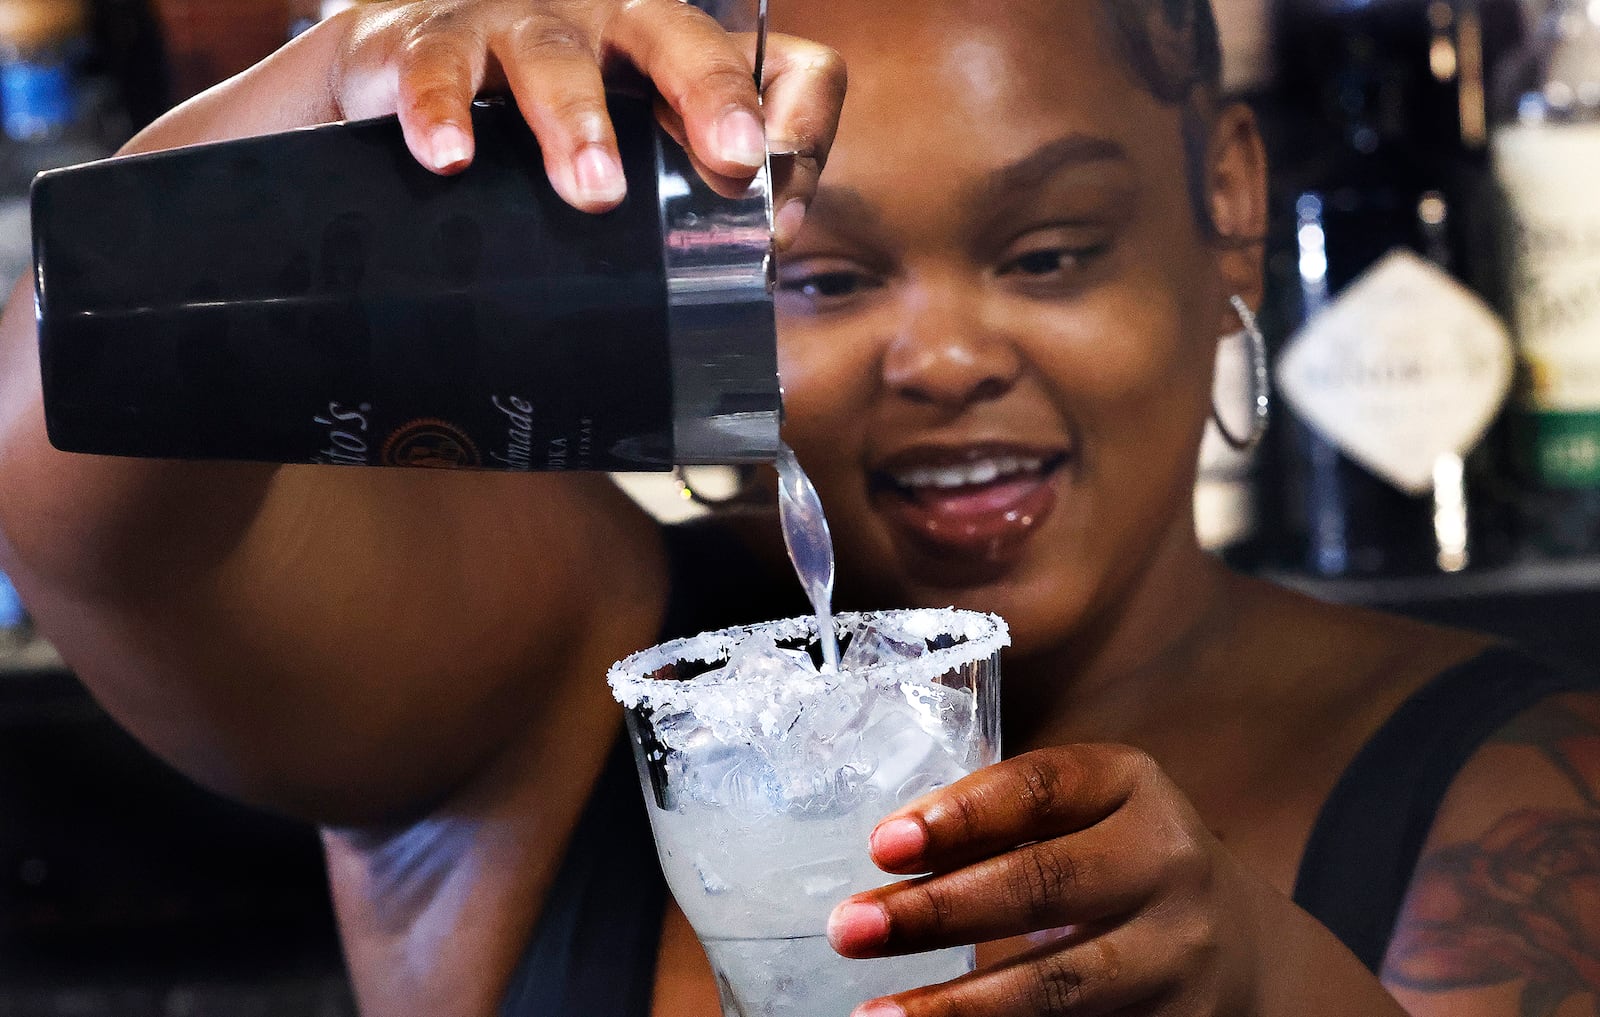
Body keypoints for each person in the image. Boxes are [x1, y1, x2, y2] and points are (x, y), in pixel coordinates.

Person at [1, 0, 1597, 1015]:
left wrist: (1275, 991)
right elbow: (57, 475)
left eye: (1051, 252)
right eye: (819, 276)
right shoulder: (543, 684)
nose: (950, 359)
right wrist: (334, 108)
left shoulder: (1527, 784)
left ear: (1229, 209)